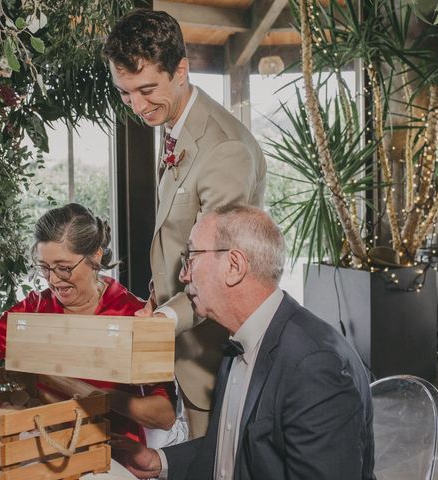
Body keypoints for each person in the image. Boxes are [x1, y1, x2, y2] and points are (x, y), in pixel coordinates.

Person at [111, 203, 375, 480]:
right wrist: (159, 461)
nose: (183, 275)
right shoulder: (240, 339)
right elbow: (233, 446)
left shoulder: (314, 366)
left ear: (234, 266)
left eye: (191, 257)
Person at [0, 203, 179, 447]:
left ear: (96, 255)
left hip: (111, 453)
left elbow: (164, 415)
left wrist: (93, 397)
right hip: (41, 446)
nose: (53, 280)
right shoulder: (37, 307)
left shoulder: (133, 313)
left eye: (64, 268)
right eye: (44, 268)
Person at [103, 9, 267, 438]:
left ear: (181, 70)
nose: (137, 106)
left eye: (146, 89)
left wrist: (160, 321)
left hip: (215, 354)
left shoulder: (225, 148)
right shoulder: (176, 122)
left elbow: (218, 273)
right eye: (125, 94)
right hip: (185, 341)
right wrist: (156, 303)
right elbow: (178, 237)